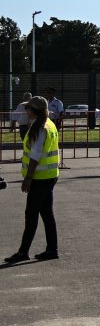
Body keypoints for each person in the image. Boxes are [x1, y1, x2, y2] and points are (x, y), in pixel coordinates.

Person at [5, 97, 61, 264]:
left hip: (40, 178)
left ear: (33, 110)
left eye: (28, 108)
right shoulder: (48, 124)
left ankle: (23, 252)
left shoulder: (40, 128)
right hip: (49, 175)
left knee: (31, 214)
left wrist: (28, 178)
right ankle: (52, 249)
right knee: (46, 213)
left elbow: (35, 156)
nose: (26, 111)